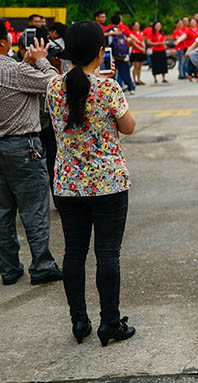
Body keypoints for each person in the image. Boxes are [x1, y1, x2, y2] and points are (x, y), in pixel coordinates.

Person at [46, 21, 137, 346]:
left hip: (69, 185)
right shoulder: (108, 89)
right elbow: (128, 127)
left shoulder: (54, 88)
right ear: (101, 52)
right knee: (107, 254)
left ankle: (79, 321)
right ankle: (110, 323)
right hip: (109, 183)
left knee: (73, 252)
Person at [0, 16, 62, 286]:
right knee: (34, 208)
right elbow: (56, 86)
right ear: (2, 42)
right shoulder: (16, 71)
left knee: (2, 209)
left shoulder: (16, 69)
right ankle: (42, 265)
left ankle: (9, 268)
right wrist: (42, 60)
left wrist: (27, 63)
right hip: (23, 146)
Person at [107, 14, 135, 96]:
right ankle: (131, 87)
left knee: (113, 73)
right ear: (120, 22)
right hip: (122, 55)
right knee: (125, 72)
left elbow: (107, 42)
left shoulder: (109, 30)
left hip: (113, 56)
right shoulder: (122, 31)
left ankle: (116, 88)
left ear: (111, 21)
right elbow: (128, 40)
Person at [128, 22, 146, 87]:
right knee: (136, 66)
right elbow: (133, 43)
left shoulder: (140, 33)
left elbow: (142, 41)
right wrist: (141, 49)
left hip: (141, 52)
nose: (137, 27)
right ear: (132, 26)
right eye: (136, 25)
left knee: (140, 66)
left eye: (138, 25)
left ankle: (139, 79)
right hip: (135, 51)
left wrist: (144, 48)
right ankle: (134, 80)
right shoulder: (131, 33)